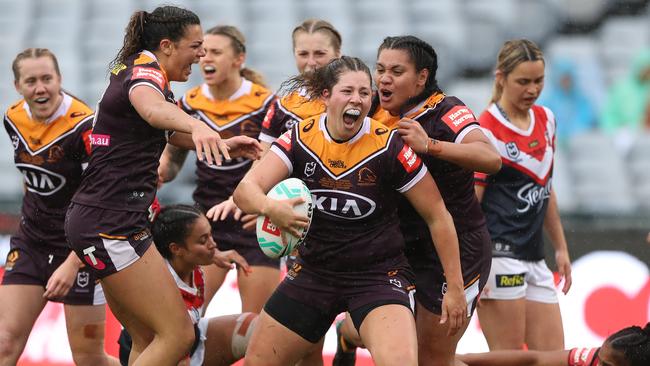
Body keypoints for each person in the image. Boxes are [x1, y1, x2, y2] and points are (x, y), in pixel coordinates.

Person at [234, 55, 467, 366]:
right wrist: (270, 208)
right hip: (314, 272)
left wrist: (455, 288)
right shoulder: (300, 138)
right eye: (348, 91)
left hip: (378, 275)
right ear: (326, 96)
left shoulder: (389, 146)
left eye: (364, 92)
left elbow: (437, 215)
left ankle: (349, 334)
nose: (357, 99)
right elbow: (244, 191)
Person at [63, 6, 261, 365]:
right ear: (168, 45)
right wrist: (198, 125)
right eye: (196, 46)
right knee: (179, 334)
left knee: (149, 338)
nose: (201, 55)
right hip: (111, 224)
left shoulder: (146, 73)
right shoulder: (144, 72)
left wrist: (221, 141)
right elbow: (153, 111)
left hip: (113, 220)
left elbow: (164, 128)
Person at [333, 35, 502, 366]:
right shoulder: (373, 111)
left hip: (455, 251)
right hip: (398, 248)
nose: (383, 78)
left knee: (432, 358)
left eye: (396, 71)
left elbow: (490, 158)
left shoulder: (446, 110)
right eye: (380, 69)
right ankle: (346, 335)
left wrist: (431, 145)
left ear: (421, 78)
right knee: (371, 332)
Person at [0, 48, 118, 366]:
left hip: (80, 246)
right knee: (4, 344)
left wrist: (72, 262)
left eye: (47, 79)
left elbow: (104, 202)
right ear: (17, 86)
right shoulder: (12, 118)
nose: (40, 88)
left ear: (60, 80)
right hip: (32, 242)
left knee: (88, 358)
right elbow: (33, 179)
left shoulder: (86, 129)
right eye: (31, 81)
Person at [158, 24, 276, 313]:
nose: (206, 58)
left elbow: (273, 164)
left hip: (254, 222)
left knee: (255, 325)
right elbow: (171, 162)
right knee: (184, 317)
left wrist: (249, 201)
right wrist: (156, 173)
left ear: (239, 59)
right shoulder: (189, 104)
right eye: (203, 52)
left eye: (216, 52)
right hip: (207, 224)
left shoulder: (266, 103)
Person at [473, 39, 572, 352]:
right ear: (500, 77)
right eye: (523, 82)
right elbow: (472, 203)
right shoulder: (485, 130)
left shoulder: (547, 120)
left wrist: (561, 248)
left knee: (554, 357)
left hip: (535, 257)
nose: (532, 89)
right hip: (500, 257)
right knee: (508, 358)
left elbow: (545, 188)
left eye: (539, 81)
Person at [118, 204, 258, 366]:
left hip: (191, 342)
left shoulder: (189, 261)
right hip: (155, 354)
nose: (213, 244)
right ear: (176, 249)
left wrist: (214, 255)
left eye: (211, 235)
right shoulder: (160, 284)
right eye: (203, 240)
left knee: (255, 328)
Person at [257, 18, 342, 151]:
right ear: (294, 54)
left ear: (337, 54)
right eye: (303, 54)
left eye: (319, 54)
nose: (311, 62)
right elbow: (260, 162)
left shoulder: (358, 101)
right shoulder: (282, 108)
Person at [456, 323, 650, 366]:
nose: (596, 365)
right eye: (599, 359)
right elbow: (535, 359)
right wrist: (461, 359)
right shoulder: (593, 359)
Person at [537, 57, 597, 147]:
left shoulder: (582, 99)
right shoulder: (547, 99)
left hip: (579, 143)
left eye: (568, 78)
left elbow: (587, 120)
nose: (566, 81)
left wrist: (573, 133)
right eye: (563, 78)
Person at [600, 49, 650, 135]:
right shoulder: (621, 88)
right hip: (622, 136)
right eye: (646, 69)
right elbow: (609, 115)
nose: (647, 73)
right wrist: (615, 131)